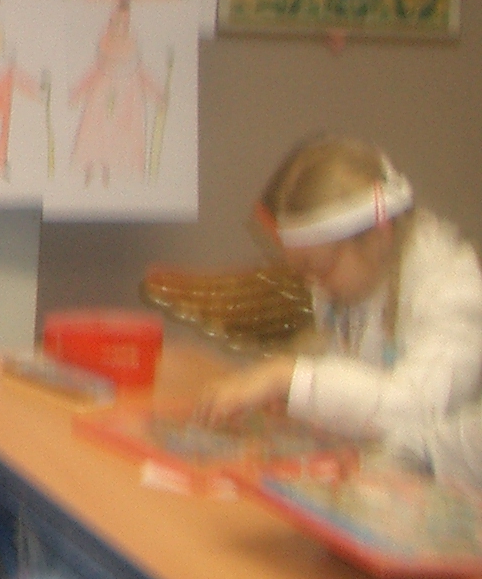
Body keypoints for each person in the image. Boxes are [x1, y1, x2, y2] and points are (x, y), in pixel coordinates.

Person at [197, 136, 482, 436]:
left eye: (320, 268)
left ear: (378, 235)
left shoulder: (454, 293)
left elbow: (415, 410)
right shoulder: (357, 278)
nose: (313, 284)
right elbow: (350, 380)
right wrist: (295, 401)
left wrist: (288, 379)